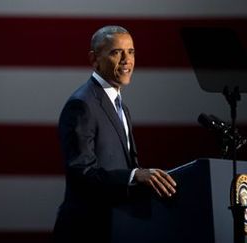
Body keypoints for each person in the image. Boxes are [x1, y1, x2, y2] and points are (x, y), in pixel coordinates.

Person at [52, 25, 177, 243]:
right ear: (94, 59)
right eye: (116, 52)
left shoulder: (120, 106)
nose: (127, 60)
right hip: (85, 231)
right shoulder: (82, 104)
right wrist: (134, 175)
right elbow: (81, 173)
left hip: (117, 227)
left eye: (131, 52)